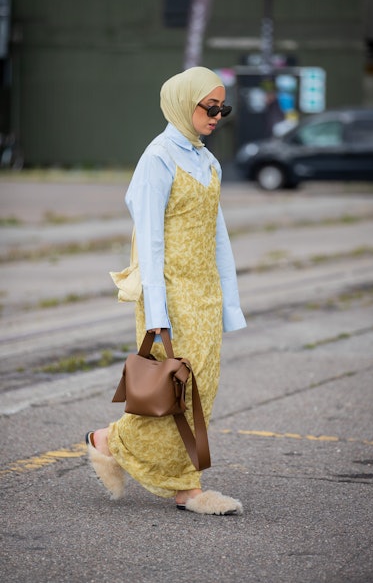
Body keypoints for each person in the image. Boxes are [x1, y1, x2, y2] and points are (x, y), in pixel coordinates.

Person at [86, 66, 246, 515]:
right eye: (209, 107)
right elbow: (149, 240)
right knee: (180, 389)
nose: (217, 115)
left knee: (203, 389)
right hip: (170, 292)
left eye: (222, 108)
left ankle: (110, 443)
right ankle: (186, 488)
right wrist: (156, 310)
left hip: (205, 293)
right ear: (182, 104)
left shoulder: (207, 159)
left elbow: (219, 238)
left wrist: (228, 304)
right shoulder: (158, 157)